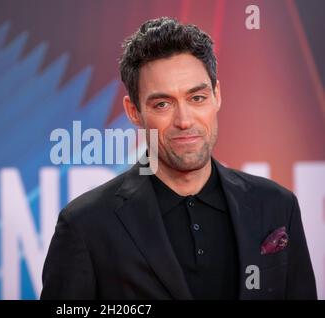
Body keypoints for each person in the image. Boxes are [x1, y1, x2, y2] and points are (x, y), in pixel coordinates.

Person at [40, 17, 317, 299]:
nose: (184, 120)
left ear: (216, 95)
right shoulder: (86, 225)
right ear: (133, 111)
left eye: (197, 98)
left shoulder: (276, 206)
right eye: (162, 104)